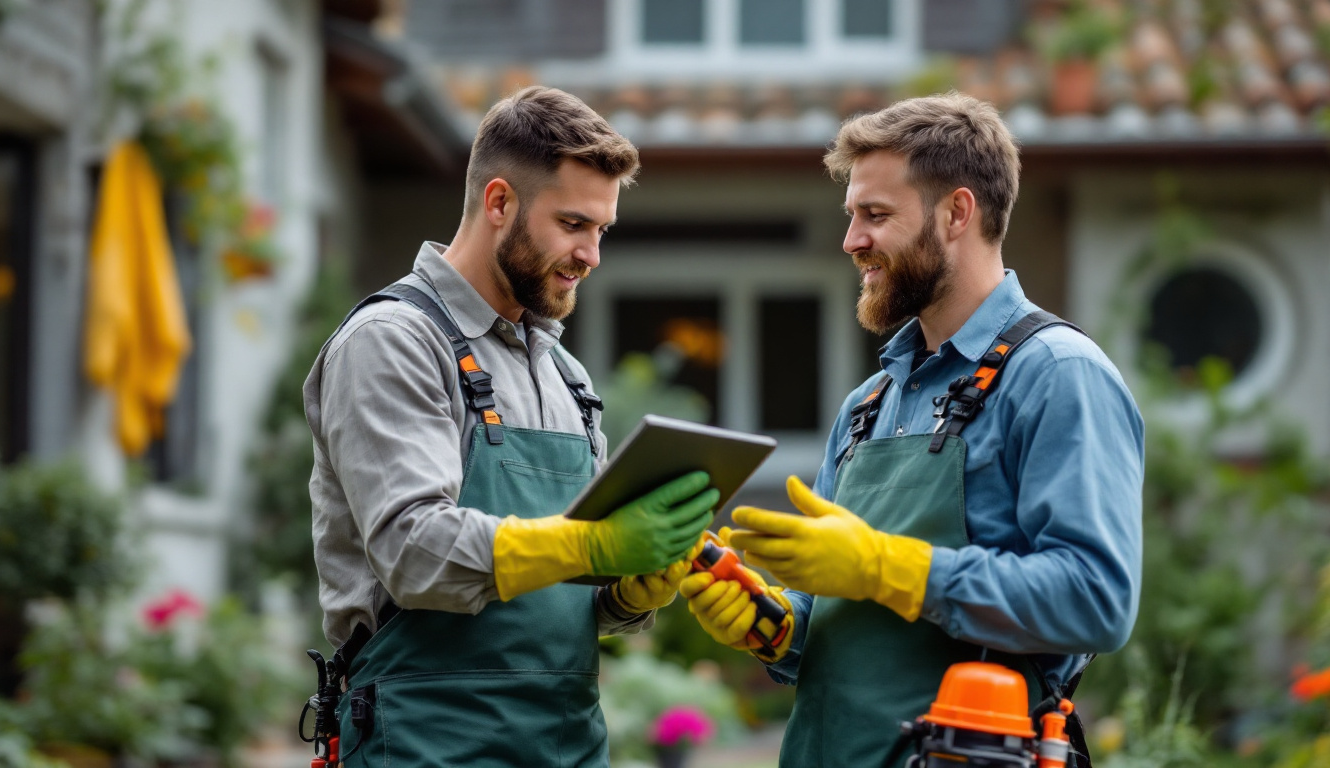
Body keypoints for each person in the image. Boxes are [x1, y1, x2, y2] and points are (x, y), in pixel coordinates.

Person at [681, 92, 1144, 767]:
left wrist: (883, 565)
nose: (851, 241)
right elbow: (849, 633)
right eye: (851, 216)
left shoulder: (1057, 376)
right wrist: (776, 629)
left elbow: (1095, 598)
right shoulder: (871, 402)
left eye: (876, 215)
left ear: (957, 213)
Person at [305, 86, 720, 767]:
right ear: (499, 203)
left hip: (567, 740)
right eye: (573, 224)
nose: (591, 255)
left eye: (601, 231)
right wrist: (591, 547)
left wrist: (629, 588)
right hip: (424, 738)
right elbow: (414, 552)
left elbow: (567, 590)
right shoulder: (394, 341)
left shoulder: (567, 377)